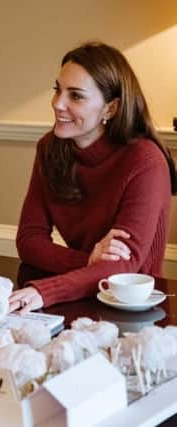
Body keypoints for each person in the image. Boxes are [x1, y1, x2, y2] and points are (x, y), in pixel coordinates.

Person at [9, 42, 177, 314]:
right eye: (57, 90)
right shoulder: (49, 148)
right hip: (78, 296)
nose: (57, 104)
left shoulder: (146, 162)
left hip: (132, 309)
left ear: (110, 109)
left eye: (75, 96)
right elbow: (28, 241)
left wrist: (45, 291)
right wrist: (89, 259)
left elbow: (123, 266)